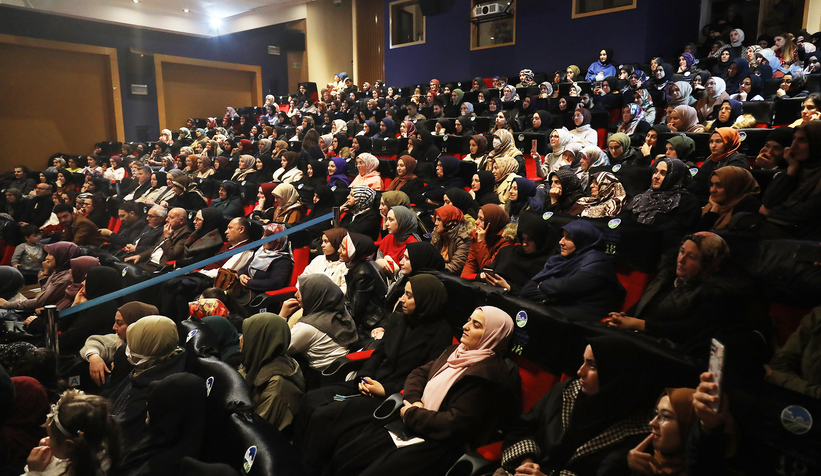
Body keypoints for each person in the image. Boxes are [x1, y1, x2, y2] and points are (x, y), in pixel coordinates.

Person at [328, 306, 516, 476]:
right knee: (348, 453)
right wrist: (415, 402)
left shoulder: (487, 375)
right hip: (414, 420)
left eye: (476, 325)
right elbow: (418, 374)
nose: (466, 327)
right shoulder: (457, 351)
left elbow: (454, 424)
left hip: (439, 444)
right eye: (468, 320)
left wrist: (412, 413)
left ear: (493, 335)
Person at [295, 274, 452, 475]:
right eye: (404, 293)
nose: (402, 299)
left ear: (425, 300)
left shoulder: (441, 333)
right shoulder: (400, 319)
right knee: (310, 399)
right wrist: (364, 376)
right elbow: (379, 352)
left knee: (323, 417)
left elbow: (425, 377)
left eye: (409, 296)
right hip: (370, 380)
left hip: (392, 395)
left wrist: (385, 389)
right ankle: (294, 460)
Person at [498, 335, 659, 476]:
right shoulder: (564, 391)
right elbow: (521, 428)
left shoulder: (638, 434)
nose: (580, 371)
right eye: (583, 362)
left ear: (616, 374)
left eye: (592, 366)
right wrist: (527, 462)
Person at [606, 232, 748, 355]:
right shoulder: (667, 277)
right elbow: (641, 306)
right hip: (639, 338)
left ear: (709, 262)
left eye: (691, 257)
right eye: (681, 251)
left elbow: (689, 331)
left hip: (669, 351)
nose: (681, 259)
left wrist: (638, 324)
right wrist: (622, 319)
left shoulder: (715, 293)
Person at [521, 219, 625, 319]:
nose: (561, 242)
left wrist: (542, 285)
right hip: (561, 306)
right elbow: (528, 289)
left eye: (568, 238)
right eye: (562, 237)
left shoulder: (598, 262)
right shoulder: (558, 260)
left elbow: (565, 287)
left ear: (582, 239)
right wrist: (552, 296)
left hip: (587, 316)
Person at [109, 316, 186, 449]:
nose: (129, 349)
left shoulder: (157, 387)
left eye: (135, 342)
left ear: (148, 345)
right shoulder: (153, 365)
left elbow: (122, 431)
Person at [23, 390, 121, 476]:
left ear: (69, 445)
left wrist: (34, 472)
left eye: (50, 436)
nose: (46, 439)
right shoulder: (104, 451)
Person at [239, 313, 305, 431]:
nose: (240, 338)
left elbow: (257, 432)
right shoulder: (256, 363)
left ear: (258, 339)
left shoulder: (275, 386)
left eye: (246, 334)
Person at [759, 120, 821, 238]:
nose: (793, 146)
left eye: (802, 140)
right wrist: (791, 168)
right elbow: (768, 201)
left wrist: (769, 212)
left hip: (807, 235)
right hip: (785, 228)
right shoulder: (799, 167)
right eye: (794, 139)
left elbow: (804, 212)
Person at [283, 274, 357, 372]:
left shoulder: (309, 327)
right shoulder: (341, 312)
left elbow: (278, 347)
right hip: (341, 372)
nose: (296, 294)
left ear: (313, 294)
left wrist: (282, 315)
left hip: (319, 377)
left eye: (301, 291)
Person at [80, 302, 158, 390]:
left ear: (136, 324)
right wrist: (93, 357)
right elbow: (94, 341)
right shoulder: (119, 340)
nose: (114, 327)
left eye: (119, 323)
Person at [626, 157, 701, 233]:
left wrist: (637, 231)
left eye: (663, 173)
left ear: (675, 176)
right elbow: (624, 219)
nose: (656, 176)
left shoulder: (687, 201)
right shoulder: (643, 196)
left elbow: (674, 229)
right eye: (655, 171)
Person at [0, 242, 80, 312]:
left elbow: (40, 301)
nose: (46, 258)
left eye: (51, 255)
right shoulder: (58, 272)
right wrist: (46, 273)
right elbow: (42, 295)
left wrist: (7, 304)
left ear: (62, 256)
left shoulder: (65, 278)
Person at [765, 306, 821, 398]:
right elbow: (780, 362)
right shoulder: (817, 316)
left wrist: (784, 381)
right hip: (794, 401)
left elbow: (774, 375)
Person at [125, 208, 192, 271]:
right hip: (148, 261)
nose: (167, 220)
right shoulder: (171, 229)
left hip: (159, 266)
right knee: (123, 262)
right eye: (167, 217)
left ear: (181, 220)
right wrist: (140, 256)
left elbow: (172, 255)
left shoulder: (186, 234)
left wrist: (167, 238)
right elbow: (155, 247)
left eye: (171, 217)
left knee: (128, 269)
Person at [698, 166, 761, 231]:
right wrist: (714, 209)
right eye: (711, 185)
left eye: (719, 185)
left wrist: (713, 213)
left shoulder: (749, 205)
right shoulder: (714, 205)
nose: (712, 190)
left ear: (735, 187)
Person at [694, 128, 751, 196]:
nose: (713, 146)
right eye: (711, 142)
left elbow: (731, 186)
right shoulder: (710, 160)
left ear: (729, 141)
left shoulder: (739, 160)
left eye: (718, 141)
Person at [462, 204, 511, 278]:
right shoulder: (477, 235)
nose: (476, 222)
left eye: (481, 219)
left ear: (492, 222)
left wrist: (481, 241)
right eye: (477, 218)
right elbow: (471, 263)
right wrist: (464, 280)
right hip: (479, 278)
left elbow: (487, 268)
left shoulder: (506, 242)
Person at [300, 228, 349, 292]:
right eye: (322, 241)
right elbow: (302, 280)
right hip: (310, 297)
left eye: (326, 241)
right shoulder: (318, 259)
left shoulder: (346, 265)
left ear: (337, 242)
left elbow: (345, 290)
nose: (322, 245)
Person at [429, 204, 472, 275]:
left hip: (453, 276)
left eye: (439, 220)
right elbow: (430, 256)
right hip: (439, 271)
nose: (436, 223)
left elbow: (456, 266)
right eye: (435, 219)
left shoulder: (463, 238)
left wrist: (432, 270)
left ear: (449, 221)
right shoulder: (438, 234)